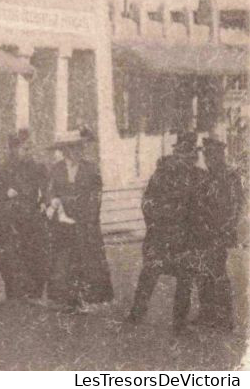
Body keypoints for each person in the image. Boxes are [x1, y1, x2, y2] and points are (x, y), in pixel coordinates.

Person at [126, 132, 207, 330]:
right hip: (161, 236)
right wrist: (157, 222)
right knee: (150, 275)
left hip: (184, 239)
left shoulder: (198, 177)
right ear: (177, 153)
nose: (186, 159)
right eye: (183, 153)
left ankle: (178, 322)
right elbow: (148, 203)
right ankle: (137, 314)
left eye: (189, 154)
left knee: (185, 279)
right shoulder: (161, 174)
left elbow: (202, 208)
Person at [45, 129, 114, 312]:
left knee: (87, 259)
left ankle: (88, 298)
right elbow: (50, 191)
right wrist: (53, 201)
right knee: (64, 260)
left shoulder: (91, 169)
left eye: (80, 148)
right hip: (63, 223)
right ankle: (66, 298)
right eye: (74, 148)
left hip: (85, 222)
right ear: (65, 150)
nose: (78, 152)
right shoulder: (56, 169)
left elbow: (95, 195)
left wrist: (88, 217)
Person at [0, 128, 49, 301]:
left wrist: (45, 203)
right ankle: (14, 292)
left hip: (32, 218)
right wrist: (5, 194)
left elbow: (47, 189)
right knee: (11, 257)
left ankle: (34, 291)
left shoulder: (38, 168)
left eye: (30, 148)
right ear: (13, 149)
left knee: (34, 255)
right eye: (24, 148)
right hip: (10, 222)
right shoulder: (1, 170)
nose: (28, 152)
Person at [195, 136, 244, 330]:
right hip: (204, 233)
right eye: (206, 155)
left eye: (211, 154)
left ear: (220, 154)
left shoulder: (230, 176)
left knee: (218, 273)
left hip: (220, 232)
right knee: (202, 273)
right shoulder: (206, 176)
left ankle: (224, 318)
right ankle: (207, 314)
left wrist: (225, 229)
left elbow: (237, 206)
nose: (208, 158)